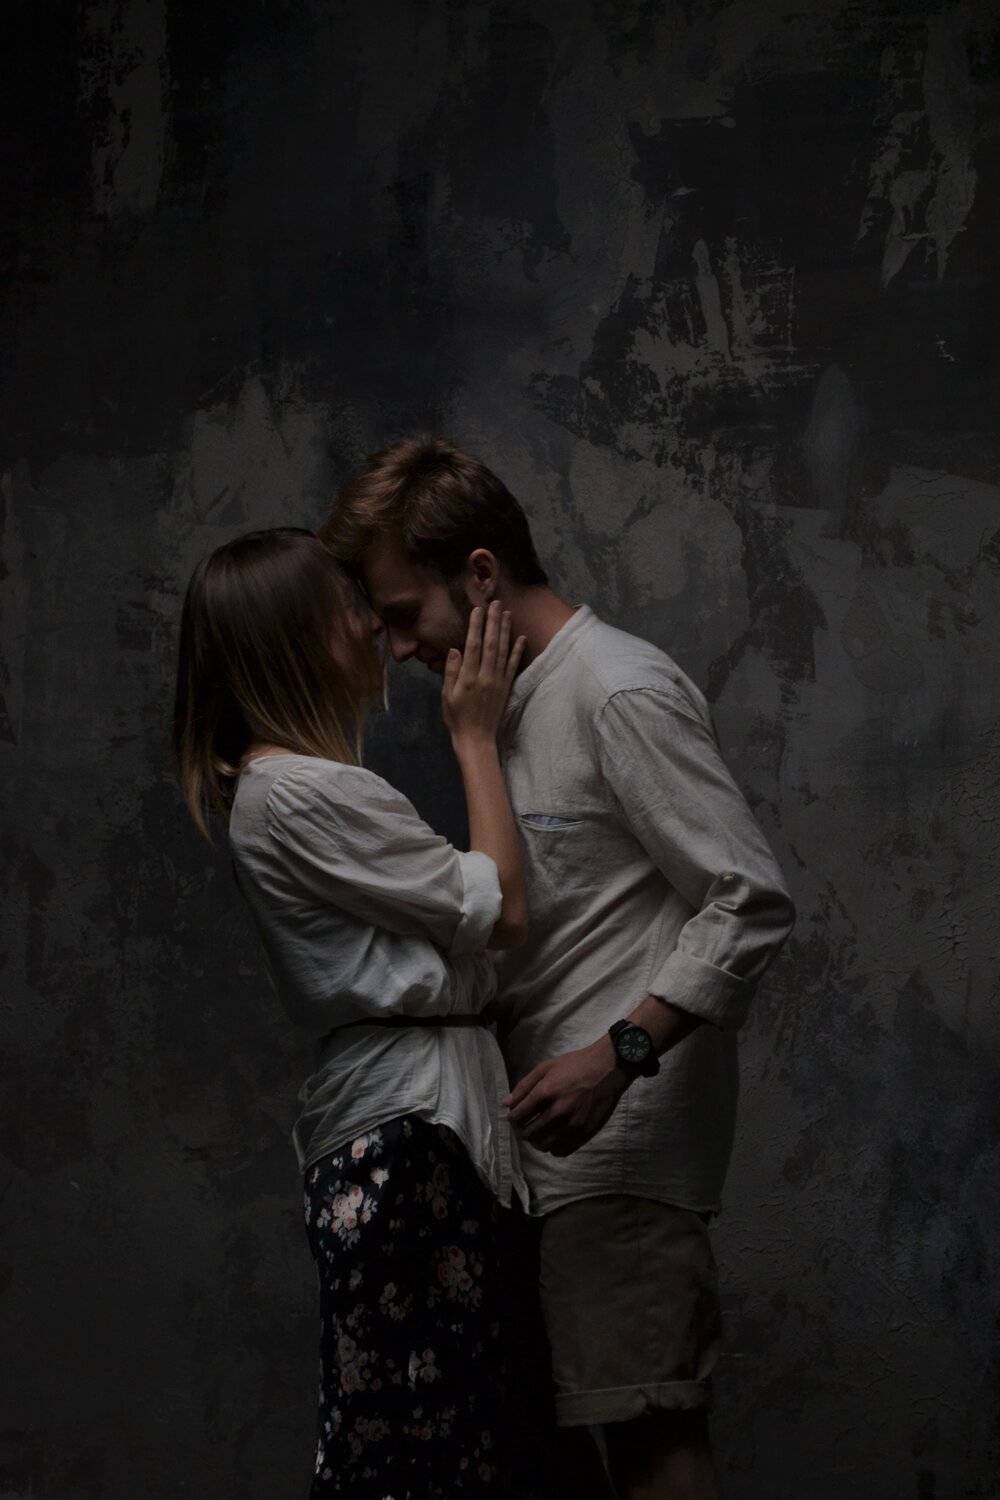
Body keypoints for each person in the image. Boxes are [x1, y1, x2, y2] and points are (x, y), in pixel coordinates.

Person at [322, 439, 797, 1500]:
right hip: (537, 1157)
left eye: (403, 612)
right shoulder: (503, 708)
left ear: (480, 574)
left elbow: (750, 898)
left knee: (650, 1445)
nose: (395, 645)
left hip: (617, 1158)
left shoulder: (614, 688)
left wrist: (621, 1053)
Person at [172, 526, 534, 1499]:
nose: (374, 630)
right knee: (420, 1447)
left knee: (432, 1432)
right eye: (349, 613)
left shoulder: (281, 791)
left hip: (412, 1120)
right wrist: (474, 736)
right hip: (409, 1134)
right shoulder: (303, 792)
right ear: (294, 638)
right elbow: (502, 908)